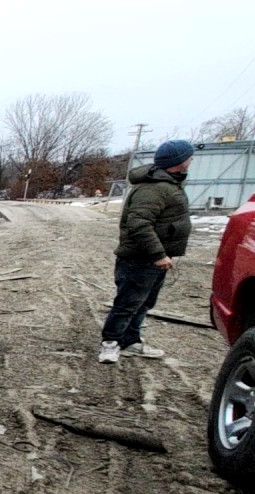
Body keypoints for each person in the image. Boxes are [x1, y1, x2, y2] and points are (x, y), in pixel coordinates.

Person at [98, 139, 195, 364]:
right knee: (128, 302)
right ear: (179, 161)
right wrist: (158, 254)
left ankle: (131, 341)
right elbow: (139, 224)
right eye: (188, 157)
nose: (191, 160)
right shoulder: (153, 188)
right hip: (140, 258)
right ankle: (110, 343)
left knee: (144, 302)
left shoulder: (167, 183)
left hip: (153, 258)